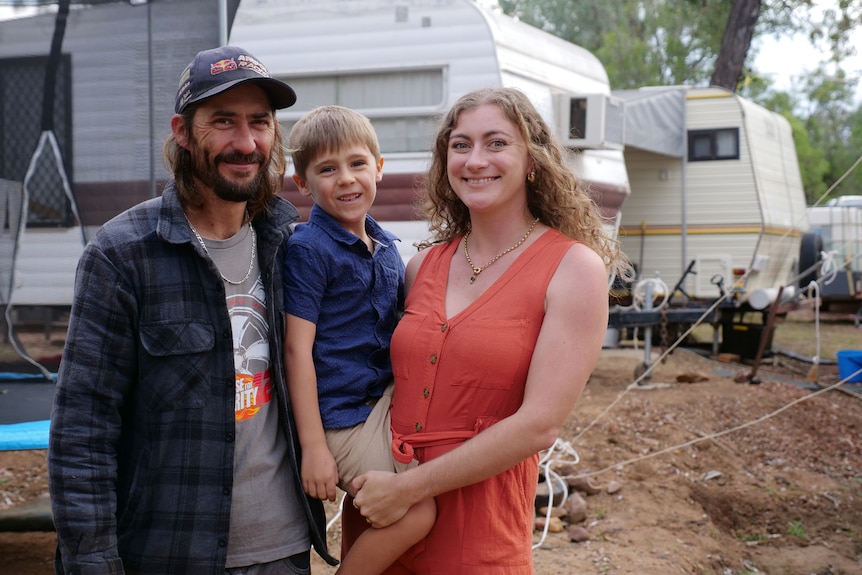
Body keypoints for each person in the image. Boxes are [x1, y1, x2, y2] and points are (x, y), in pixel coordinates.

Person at [48, 46, 338, 575]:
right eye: (223, 122)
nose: (246, 143)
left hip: (284, 549)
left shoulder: (289, 242)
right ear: (183, 131)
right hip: (168, 552)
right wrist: (92, 560)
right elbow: (81, 435)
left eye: (260, 123)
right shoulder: (122, 255)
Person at [346, 86, 630, 574]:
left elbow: (540, 423)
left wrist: (408, 490)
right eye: (461, 145)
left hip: (476, 527)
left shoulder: (573, 268)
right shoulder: (419, 267)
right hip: (383, 518)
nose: (476, 160)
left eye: (496, 143)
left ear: (533, 160)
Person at [282, 105, 436, 575]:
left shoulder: (388, 246)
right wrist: (313, 448)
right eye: (327, 169)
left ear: (379, 168)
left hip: (386, 402)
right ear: (303, 183)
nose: (346, 179)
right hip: (342, 416)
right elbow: (296, 350)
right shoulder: (308, 249)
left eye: (357, 164)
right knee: (417, 509)